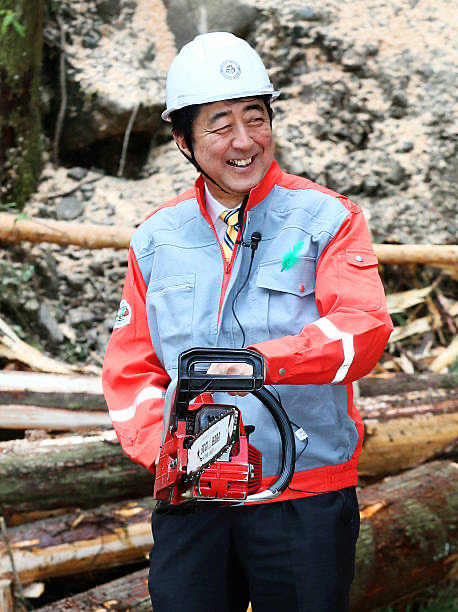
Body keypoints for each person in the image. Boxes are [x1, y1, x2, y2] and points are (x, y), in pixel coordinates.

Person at [102, 32, 393, 612]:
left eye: (254, 118)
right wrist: (171, 452)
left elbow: (363, 325)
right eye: (219, 124)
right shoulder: (156, 239)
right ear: (184, 139)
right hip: (194, 502)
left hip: (303, 494)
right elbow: (131, 369)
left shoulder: (326, 219)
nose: (243, 141)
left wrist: (261, 364)